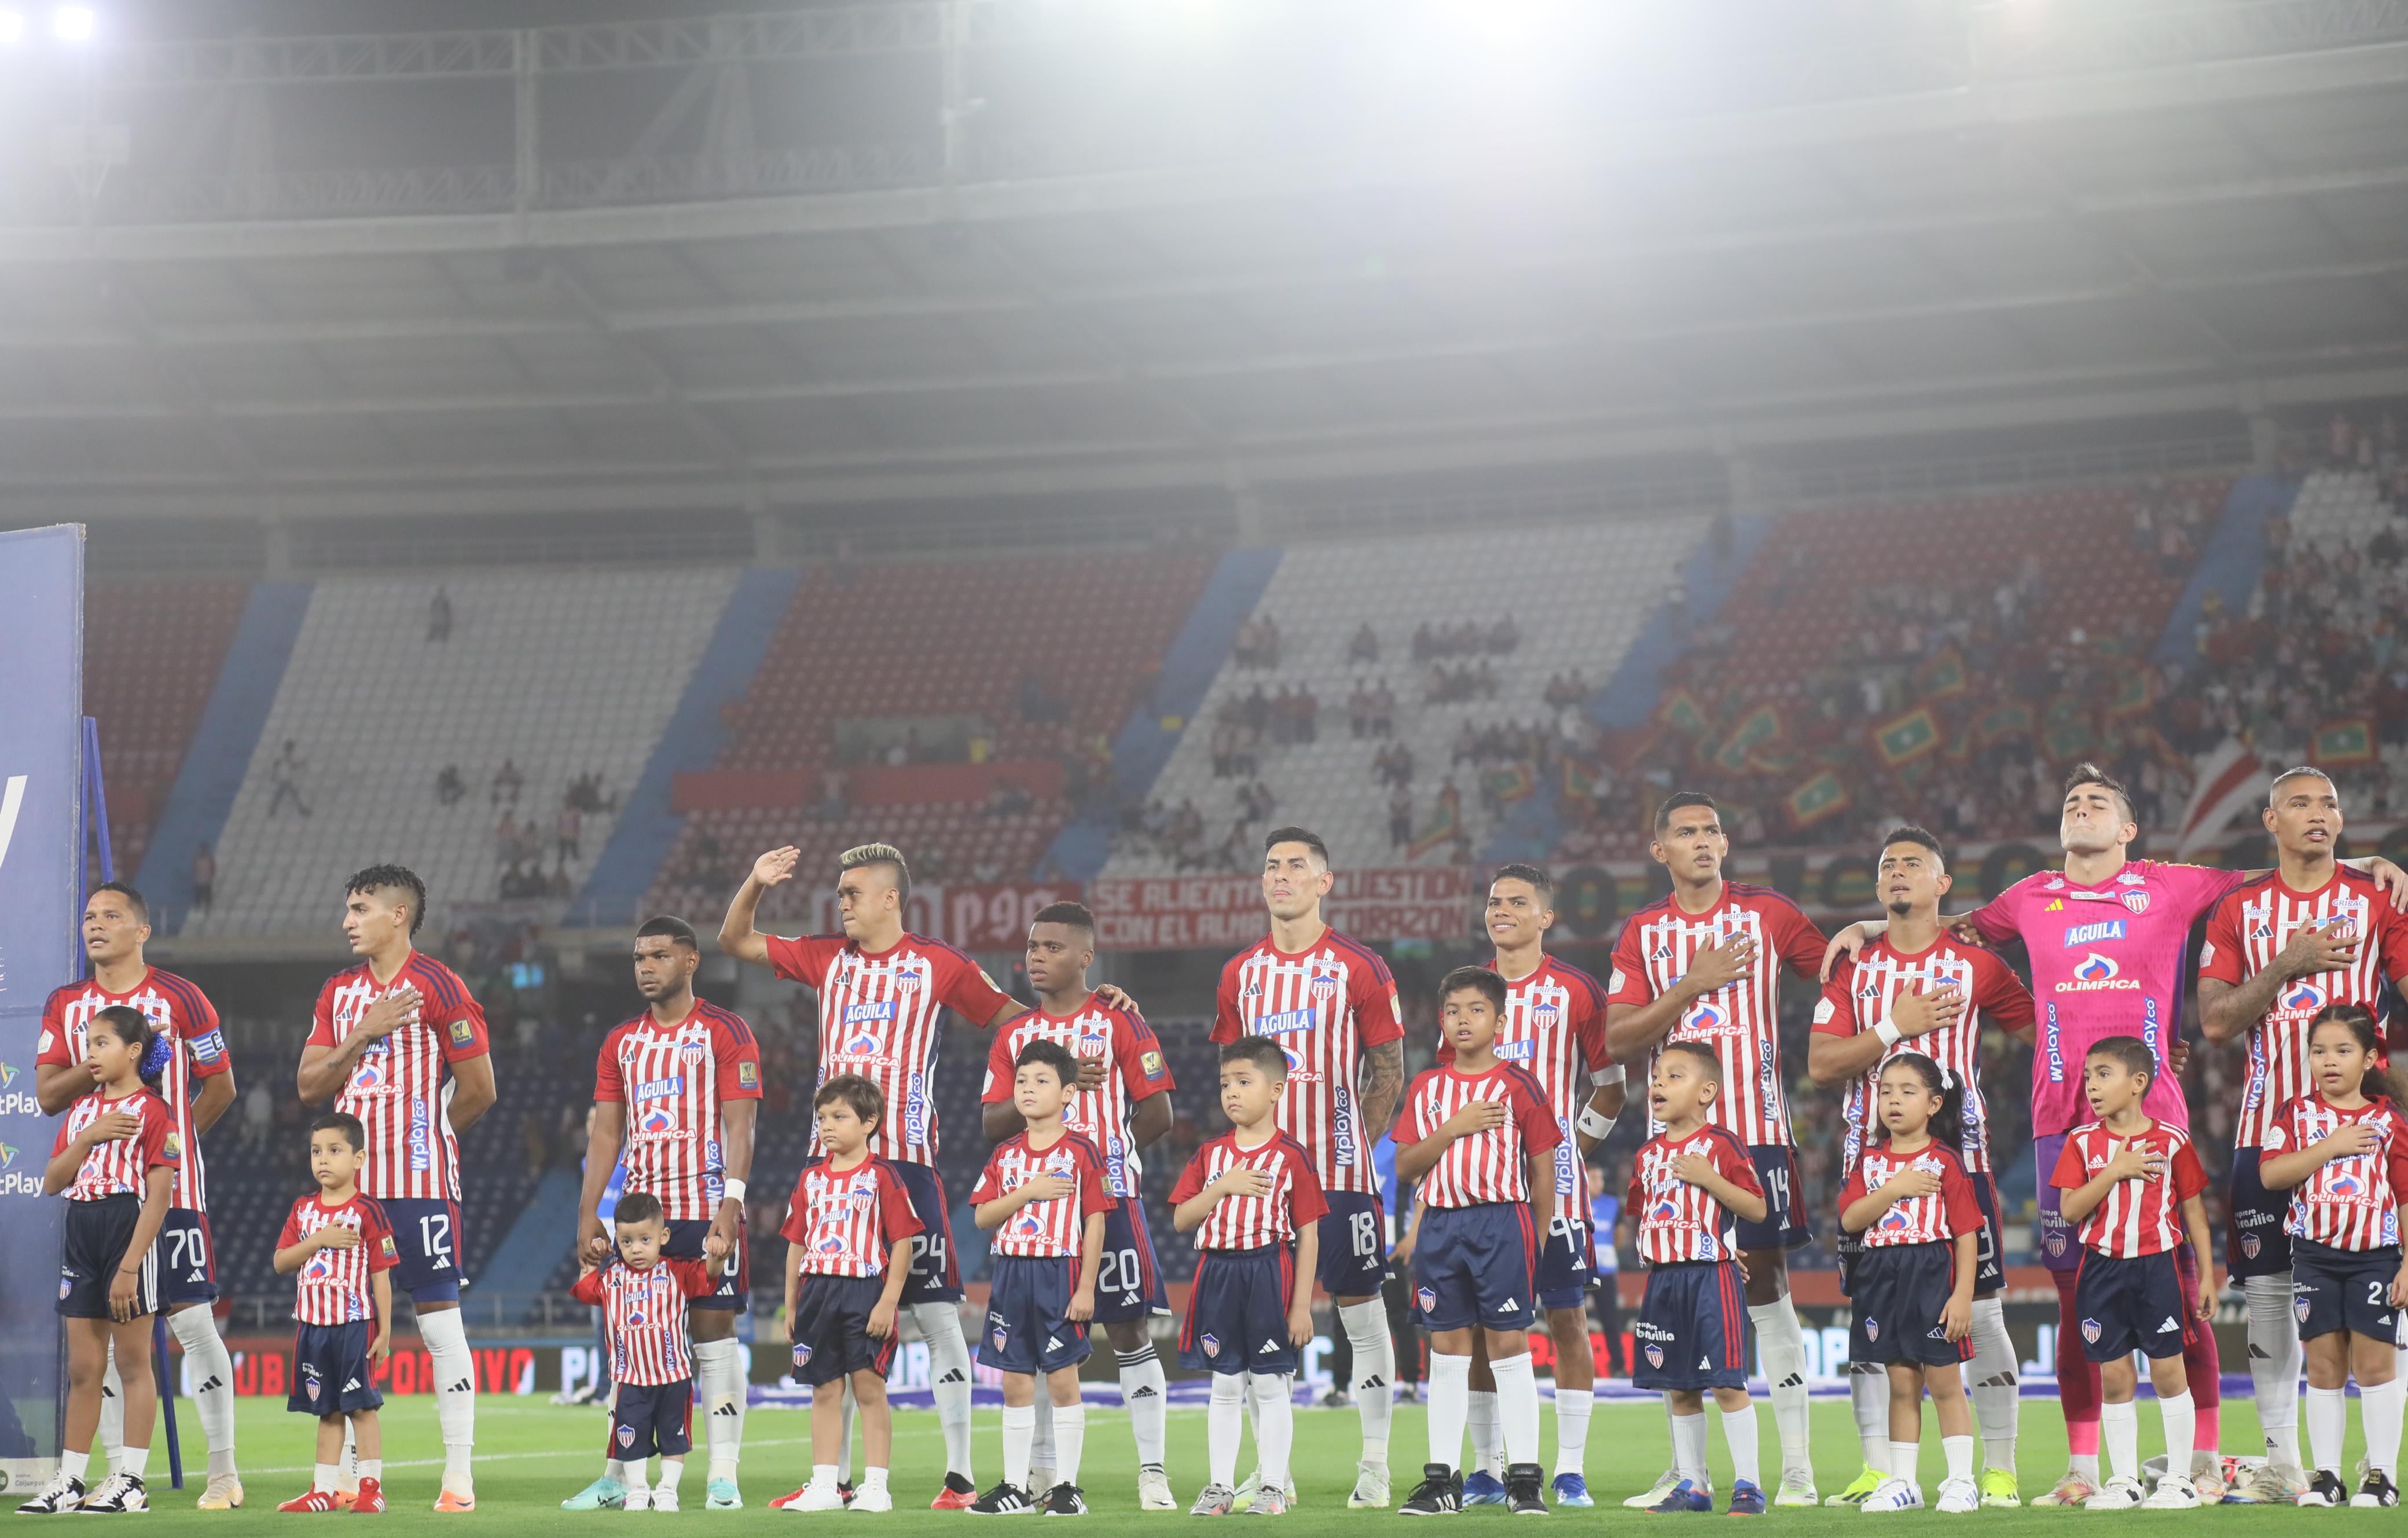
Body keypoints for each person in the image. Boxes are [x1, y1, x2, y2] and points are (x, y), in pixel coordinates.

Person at [1824, 763, 2408, 1506]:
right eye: (2071, 801)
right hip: (2058, 1122)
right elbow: (1944, 924)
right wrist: (1873, 925)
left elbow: (2277, 868)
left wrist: (2361, 860)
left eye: (2096, 801)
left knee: (2180, 1297)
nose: (2080, 807)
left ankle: (2200, 1460)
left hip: (2154, 1116)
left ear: (2127, 829)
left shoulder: (2168, 884)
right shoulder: (2028, 894)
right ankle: (2082, 1466)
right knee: (2077, 1301)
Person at [720, 842, 1062, 1509]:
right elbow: (734, 939)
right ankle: (836, 1478)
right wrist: (755, 881)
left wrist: (1083, 1028)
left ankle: (958, 1476)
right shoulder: (825, 957)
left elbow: (1014, 1019)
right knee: (834, 1322)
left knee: (936, 1316)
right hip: (830, 1170)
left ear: (889, 898)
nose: (841, 903)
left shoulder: (937, 963)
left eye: (852, 892)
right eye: (839, 893)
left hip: (907, 1164)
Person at [1606, 792, 1826, 1507]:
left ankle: (1795, 1467)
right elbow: (1617, 1038)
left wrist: (1858, 929)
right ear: (1659, 849)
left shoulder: (1769, 913)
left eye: (1711, 829)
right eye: (1685, 831)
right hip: (1674, 1149)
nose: (1702, 840)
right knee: (1674, 1294)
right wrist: (1690, 985)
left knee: (1766, 1289)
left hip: (1756, 1134)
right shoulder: (1643, 930)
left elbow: (1838, 970)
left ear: (1725, 843)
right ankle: (1687, 1470)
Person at [2196, 768, 2408, 1503]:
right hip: (2268, 1136)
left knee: (2379, 1303)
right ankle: (2284, 1463)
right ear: (2270, 821)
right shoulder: (2238, 908)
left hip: (2364, 1138)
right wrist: (2287, 962)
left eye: (2328, 803)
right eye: (2299, 803)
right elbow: (2215, 1020)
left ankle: (2377, 1466)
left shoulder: (2376, 896)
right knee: (2270, 1300)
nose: (2317, 813)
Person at [1807, 828, 2033, 1508]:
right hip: (1871, 1171)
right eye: (1887, 864)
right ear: (1878, 886)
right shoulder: (1852, 966)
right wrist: (1892, 1026)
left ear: (1941, 883)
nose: (1898, 870)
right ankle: (1881, 1469)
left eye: (1913, 862)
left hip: (1961, 1166)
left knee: (1980, 1315)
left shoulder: (1977, 965)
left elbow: (2045, 1030)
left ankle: (1997, 1468)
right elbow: (1820, 1064)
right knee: (1871, 1322)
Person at [1210, 827, 1407, 1509]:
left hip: (1340, 1175)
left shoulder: (1358, 965)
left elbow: (1388, 1070)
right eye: (1272, 865)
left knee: (1361, 1313)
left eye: (1297, 865)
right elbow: (1232, 1074)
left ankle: (1374, 1464)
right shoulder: (1239, 973)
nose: (1281, 875)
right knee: (1261, 1325)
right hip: (1262, 1181)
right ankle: (1274, 1471)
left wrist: (1352, 1144)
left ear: (1324, 881)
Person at [295, 865, 497, 1512]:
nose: (348, 921)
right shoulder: (339, 992)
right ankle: (346, 1479)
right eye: (348, 908)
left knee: (439, 1327)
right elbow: (309, 1085)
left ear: (398, 914)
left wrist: (425, 1142)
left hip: (420, 1189)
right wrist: (364, 1031)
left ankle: (458, 1478)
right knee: (350, 1327)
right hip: (352, 1196)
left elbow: (479, 1089)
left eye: (360, 908)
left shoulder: (440, 985)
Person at [36, 884, 245, 1508]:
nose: (95, 924)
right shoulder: (66, 1003)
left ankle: (223, 1471)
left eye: (111, 915)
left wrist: (165, 1153)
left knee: (193, 1321)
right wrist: (99, 1060)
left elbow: (221, 1086)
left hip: (170, 1193)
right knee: (98, 1338)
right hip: (99, 1198)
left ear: (142, 930)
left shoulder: (183, 997)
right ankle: (113, 1473)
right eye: (89, 916)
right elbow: (48, 1095)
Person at [980, 904, 1179, 1510]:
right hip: (1037, 1212)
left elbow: (1159, 1112)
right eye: (1032, 945)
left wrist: (1105, 1159)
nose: (1037, 956)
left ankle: (1153, 1471)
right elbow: (991, 1122)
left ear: (1086, 957)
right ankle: (1041, 1473)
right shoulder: (1014, 1036)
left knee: (1128, 1328)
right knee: (1039, 1339)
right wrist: (1043, 1091)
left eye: (1053, 946)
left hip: (1109, 1201)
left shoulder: (1119, 1019)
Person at [564, 916, 759, 1511]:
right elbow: (606, 1133)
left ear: (691, 960)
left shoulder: (725, 1030)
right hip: (640, 1219)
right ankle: (616, 1477)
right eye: (639, 957)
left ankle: (723, 1475)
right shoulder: (621, 1041)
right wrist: (589, 1212)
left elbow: (741, 1125)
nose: (646, 966)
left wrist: (731, 1203)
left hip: (705, 1209)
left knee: (713, 1338)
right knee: (631, 1341)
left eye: (659, 955)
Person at [1459, 864, 1624, 1507]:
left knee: (1567, 1319)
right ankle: (1484, 1468)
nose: (1500, 910)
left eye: (1516, 901)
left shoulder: (1577, 990)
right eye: (1494, 900)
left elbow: (1610, 1088)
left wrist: (1569, 1152)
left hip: (1557, 1192)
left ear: (1545, 917)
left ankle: (1570, 1470)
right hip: (1485, 1189)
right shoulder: (1468, 990)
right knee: (1484, 1328)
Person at [1390, 967, 1562, 1517]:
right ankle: (1442, 1479)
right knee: (1446, 1349)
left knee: (1509, 1345)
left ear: (1500, 1021)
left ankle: (1525, 1478)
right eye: (1453, 1011)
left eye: (1476, 1009)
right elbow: (1405, 1166)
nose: (1463, 1019)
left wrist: (1536, 1241)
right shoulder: (1427, 1087)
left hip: (1501, 1223)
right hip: (1441, 1225)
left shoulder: (1519, 1084)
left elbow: (1543, 1171)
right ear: (1441, 1020)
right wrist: (1454, 1127)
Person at [22, 1007, 177, 1517]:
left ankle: (131, 1481)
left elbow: (159, 1196)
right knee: (84, 1367)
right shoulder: (82, 1111)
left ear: (133, 1051)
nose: (91, 1052)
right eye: (88, 1043)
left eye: (102, 1042)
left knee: (132, 1362)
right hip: (82, 1227)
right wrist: (89, 1135)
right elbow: (53, 1180)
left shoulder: (154, 1111)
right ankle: (70, 1481)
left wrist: (130, 1266)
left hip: (126, 1228)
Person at [2049, 1036, 2216, 1509]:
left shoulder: (2172, 1140)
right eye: (2088, 1076)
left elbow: (2194, 1212)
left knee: (2168, 1370)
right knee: (2116, 1375)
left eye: (2104, 1074)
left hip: (2157, 1266)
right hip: (2101, 1270)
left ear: (2138, 1082)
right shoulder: (2081, 1141)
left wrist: (2207, 1275)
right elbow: (2069, 1210)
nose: (2092, 1086)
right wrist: (2115, 1170)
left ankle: (2180, 1480)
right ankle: (2124, 1480)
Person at [2256, 1004, 2408, 1507]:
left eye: (2343, 1050)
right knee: (2323, 1367)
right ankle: (2327, 1477)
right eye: (2319, 1050)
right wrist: (2332, 1145)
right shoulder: (2294, 1114)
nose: (2329, 1060)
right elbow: (2271, 1174)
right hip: (2314, 1256)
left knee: (2375, 1366)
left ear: (2368, 1058)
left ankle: (2382, 1477)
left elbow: (2405, 1195)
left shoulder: (2388, 1119)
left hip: (2376, 1257)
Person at [1172, 1038, 1326, 1517]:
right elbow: (1181, 1219)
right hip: (1217, 1272)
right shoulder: (1210, 1154)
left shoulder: (1292, 1156)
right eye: (1225, 1084)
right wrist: (1222, 1186)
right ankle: (1219, 1486)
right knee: (1224, 1385)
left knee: (1270, 1384)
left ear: (1276, 1089)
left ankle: (1274, 1486)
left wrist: (1301, 1306)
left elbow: (1309, 1235)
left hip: (1268, 1270)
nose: (1232, 1092)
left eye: (1244, 1081)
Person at [1624, 1043, 1770, 1517]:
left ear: (1706, 1091)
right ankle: (1694, 1485)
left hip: (1711, 1278)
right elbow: (1644, 1212)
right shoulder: (1647, 1154)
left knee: (1726, 1383)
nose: (1659, 1082)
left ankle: (1749, 1485)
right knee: (1680, 1387)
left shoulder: (1721, 1145)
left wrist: (1709, 1178)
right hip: (1664, 1280)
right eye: (1657, 1075)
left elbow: (1756, 1207)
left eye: (1674, 1075)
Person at [1833, 1055, 1983, 1515]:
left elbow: (1967, 1232)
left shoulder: (1945, 1160)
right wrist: (1895, 1188)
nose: (1894, 1099)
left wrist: (1962, 1295)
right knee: (1901, 1383)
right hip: (1881, 1275)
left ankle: (1961, 1480)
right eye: (1886, 1091)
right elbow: (1850, 1218)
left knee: (1944, 1381)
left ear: (1934, 1103)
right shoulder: (1870, 1161)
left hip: (1930, 1271)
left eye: (1907, 1091)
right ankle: (1903, 1481)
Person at [967, 1040, 1111, 1516]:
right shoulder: (1006, 1154)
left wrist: (1087, 1286)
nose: (1028, 1088)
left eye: (1041, 1080)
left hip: (1059, 1272)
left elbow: (1095, 1221)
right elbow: (983, 1216)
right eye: (1022, 1080)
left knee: (1064, 1379)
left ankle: (1067, 1487)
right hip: (1011, 1272)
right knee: (1015, 1381)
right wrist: (1029, 1191)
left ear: (1068, 1092)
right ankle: (1015, 1486)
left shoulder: (1082, 1151)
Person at [777, 1076, 923, 1514]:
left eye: (839, 1116)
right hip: (817, 1290)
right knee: (824, 1389)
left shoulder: (882, 1175)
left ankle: (876, 1486)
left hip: (865, 1290)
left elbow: (903, 1242)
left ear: (869, 1122)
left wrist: (888, 1301)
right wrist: (792, 1303)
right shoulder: (810, 1179)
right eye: (822, 1117)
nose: (827, 1125)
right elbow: (796, 1244)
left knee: (869, 1387)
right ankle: (825, 1484)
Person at [565, 1191, 726, 1513]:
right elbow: (586, 1289)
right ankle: (638, 1489)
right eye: (626, 1242)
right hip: (630, 1379)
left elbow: (709, 1273)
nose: (636, 1249)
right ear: (616, 1241)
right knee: (631, 1437)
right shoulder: (613, 1278)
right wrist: (593, 1261)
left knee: (673, 1439)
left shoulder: (677, 1273)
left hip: (673, 1376)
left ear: (663, 1237)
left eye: (644, 1240)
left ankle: (667, 1490)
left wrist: (718, 1253)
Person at [270, 1113, 395, 1514]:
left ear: (358, 1158)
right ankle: (323, 1491)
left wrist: (385, 1331)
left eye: (334, 1150)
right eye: (316, 1151)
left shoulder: (368, 1211)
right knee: (327, 1411)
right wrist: (319, 1240)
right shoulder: (303, 1209)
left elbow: (381, 1275)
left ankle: (371, 1489)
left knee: (361, 1406)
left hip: (355, 1325)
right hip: (312, 1326)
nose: (323, 1159)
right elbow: (281, 1261)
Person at [1585, 1163, 1624, 1378]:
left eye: (1601, 1178)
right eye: (1594, 1178)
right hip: (1581, 1271)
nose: (1599, 1183)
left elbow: (1620, 1235)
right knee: (1571, 1319)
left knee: (1611, 1321)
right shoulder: (1576, 1203)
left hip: (1606, 1271)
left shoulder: (1613, 1205)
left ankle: (1619, 1367)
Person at [190, 844, 215, 912]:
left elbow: (213, 869)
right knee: (198, 895)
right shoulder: (197, 859)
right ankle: (198, 907)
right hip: (199, 880)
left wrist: (210, 875)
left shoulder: (210, 859)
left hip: (207, 880)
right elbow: (195, 869)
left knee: (207, 896)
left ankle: (208, 908)